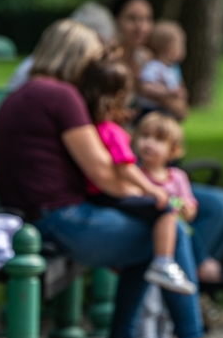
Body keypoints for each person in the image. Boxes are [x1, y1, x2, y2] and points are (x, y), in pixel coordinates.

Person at [0, 19, 223, 338]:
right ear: (76, 58)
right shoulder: (61, 96)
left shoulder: (22, 94)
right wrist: (158, 198)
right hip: (61, 221)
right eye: (93, 59)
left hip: (34, 219)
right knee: (170, 229)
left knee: (149, 239)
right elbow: (104, 173)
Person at [110, 0, 223, 289]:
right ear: (116, 22)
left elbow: (181, 108)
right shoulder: (111, 65)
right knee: (215, 208)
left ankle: (193, 275)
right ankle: (193, 280)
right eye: (132, 18)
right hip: (139, 170)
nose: (141, 27)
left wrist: (158, 98)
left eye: (146, 19)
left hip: (164, 165)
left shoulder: (153, 62)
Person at [77, 57, 196, 295]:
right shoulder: (113, 132)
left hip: (93, 197)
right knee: (163, 209)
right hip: (106, 196)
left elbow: (191, 207)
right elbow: (125, 166)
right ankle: (163, 263)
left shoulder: (89, 129)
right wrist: (153, 191)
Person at [133, 112, 199, 229]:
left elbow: (190, 210)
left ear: (173, 150)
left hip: (176, 229)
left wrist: (186, 209)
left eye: (158, 139)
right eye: (145, 136)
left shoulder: (178, 176)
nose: (149, 143)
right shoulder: (134, 173)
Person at [135, 21, 189, 122]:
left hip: (168, 111)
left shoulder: (173, 68)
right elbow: (145, 87)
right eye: (181, 45)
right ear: (170, 49)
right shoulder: (153, 66)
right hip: (150, 112)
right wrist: (167, 92)